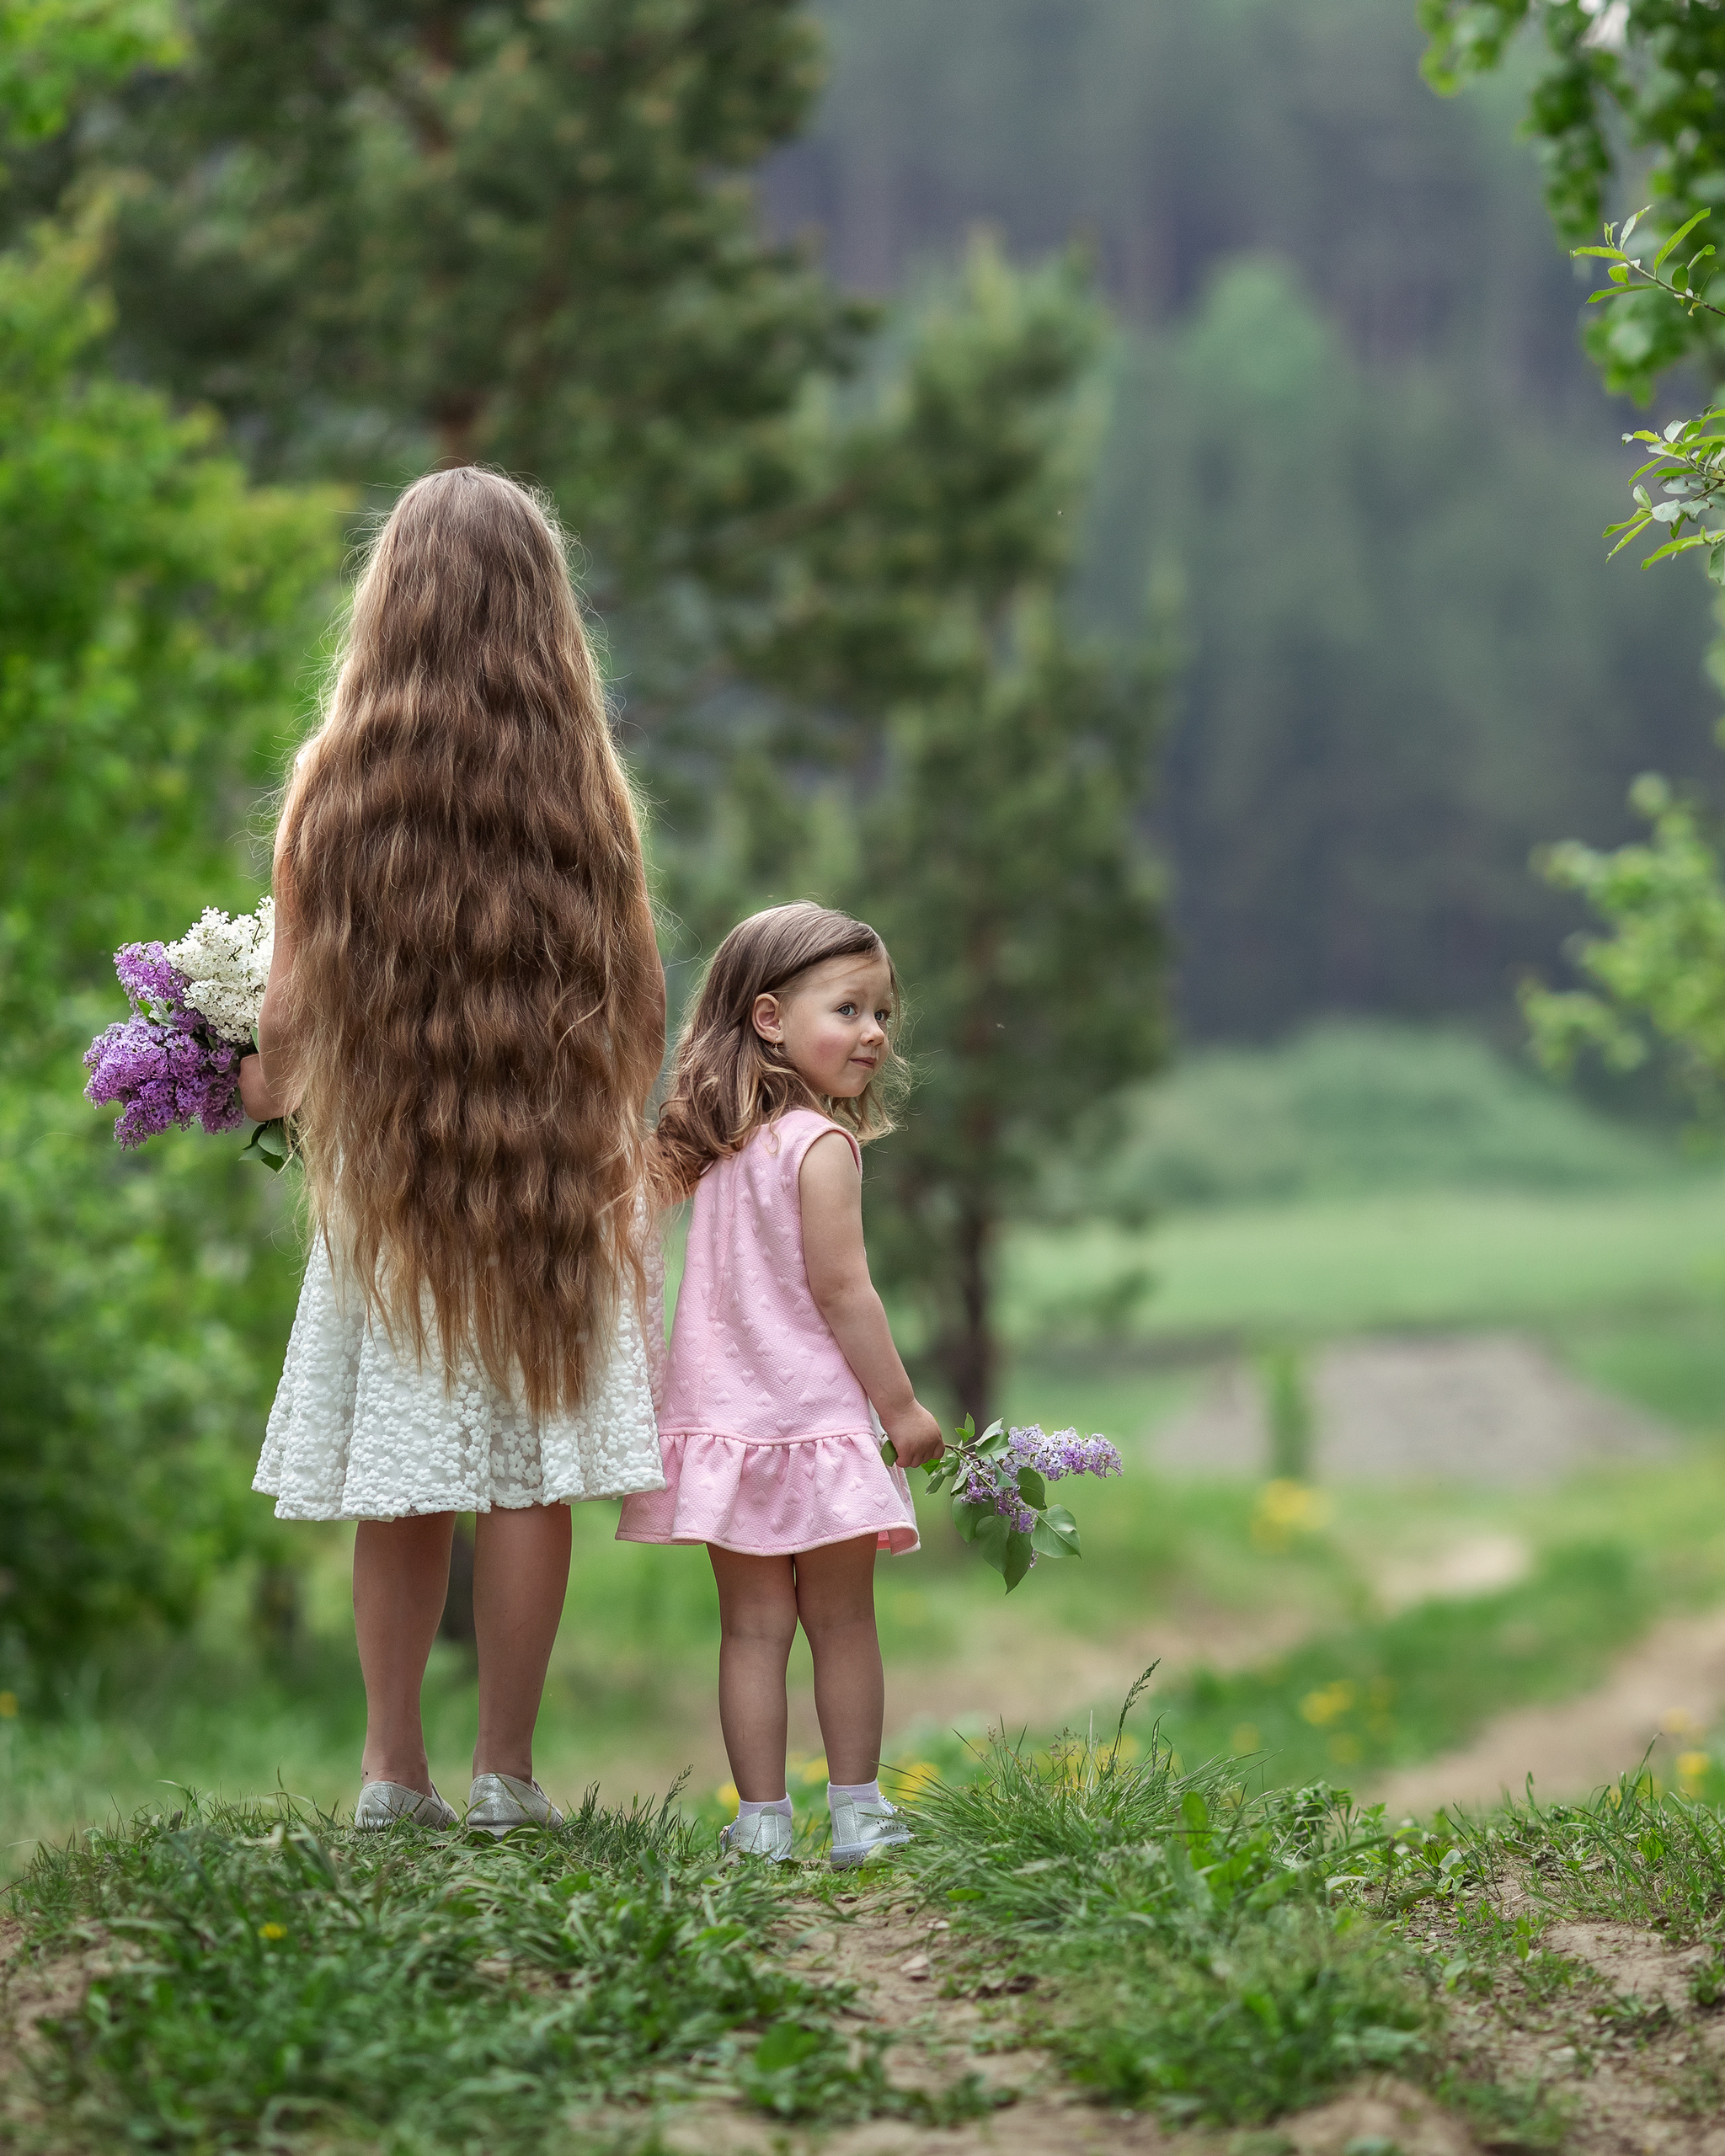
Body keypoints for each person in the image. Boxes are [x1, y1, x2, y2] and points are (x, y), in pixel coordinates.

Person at [242, 466, 668, 1835]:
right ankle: (507, 1772)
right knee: (528, 1472)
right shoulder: (583, 787)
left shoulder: (332, 788)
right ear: (547, 618)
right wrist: (616, 1166)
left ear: (390, 605)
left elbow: (286, 1054)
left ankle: (388, 1774)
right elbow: (637, 1008)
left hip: (387, 1187)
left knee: (403, 1479)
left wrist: (223, 1072)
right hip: (546, 1169)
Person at [617, 902, 945, 1867]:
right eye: (847, 1009)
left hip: (723, 1430)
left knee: (751, 1631)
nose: (875, 1033)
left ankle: (759, 1823)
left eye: (881, 1012)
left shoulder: (702, 1151)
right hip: (815, 1425)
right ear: (769, 1018)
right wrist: (902, 1409)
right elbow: (845, 1293)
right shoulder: (821, 1148)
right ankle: (857, 1813)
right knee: (842, 1620)